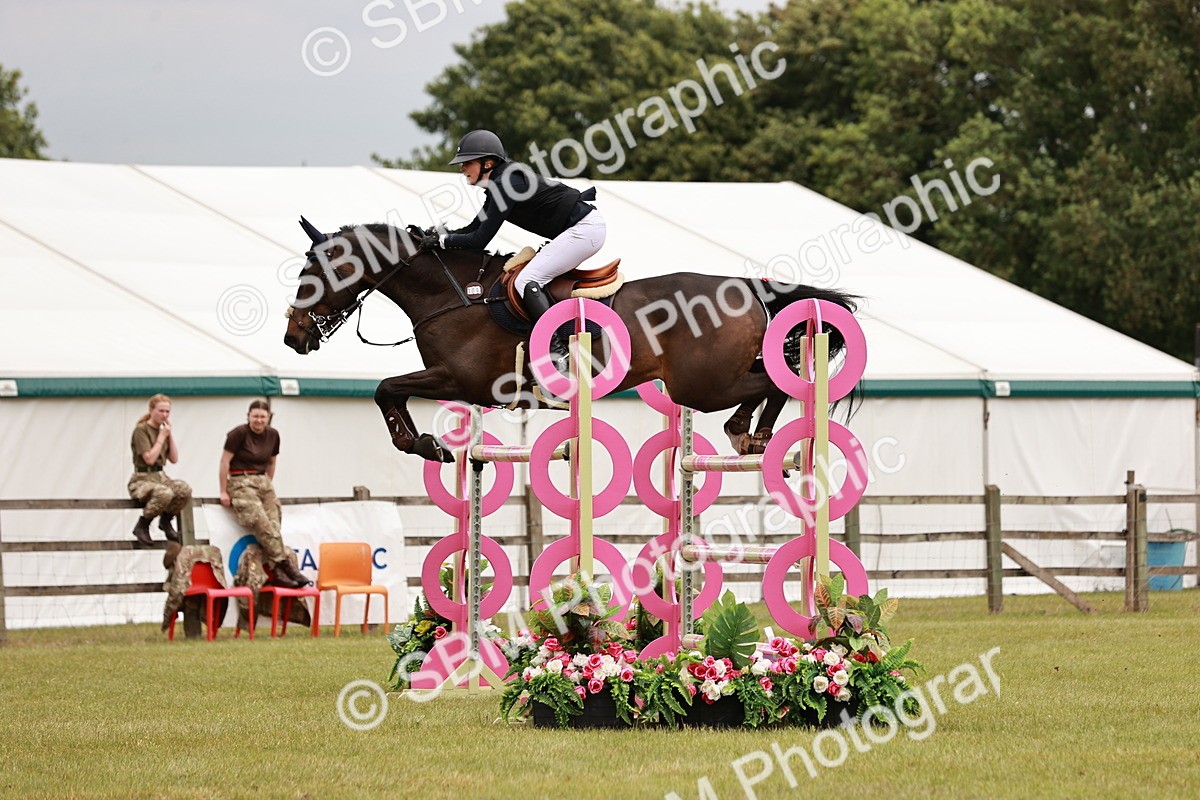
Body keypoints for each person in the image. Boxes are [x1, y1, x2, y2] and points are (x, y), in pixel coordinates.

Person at [417, 129, 606, 371]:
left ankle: (558, 352)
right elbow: (473, 228)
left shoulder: (506, 184)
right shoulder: (501, 182)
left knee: (526, 280)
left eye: (467, 163)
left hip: (584, 230)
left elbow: (479, 240)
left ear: (488, 163)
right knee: (525, 278)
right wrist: (440, 237)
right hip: (580, 229)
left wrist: (442, 243)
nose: (462, 169)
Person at [219, 400, 311, 588]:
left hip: (263, 481)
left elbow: (271, 462)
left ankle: (276, 571)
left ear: (268, 417)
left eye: (262, 416)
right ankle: (284, 564)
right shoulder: (238, 434)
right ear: (248, 416)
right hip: (240, 480)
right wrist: (223, 490)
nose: (259, 420)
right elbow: (224, 462)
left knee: (274, 522)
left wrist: (268, 482)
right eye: (255, 416)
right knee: (261, 522)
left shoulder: (273, 435)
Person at [127, 393, 192, 546]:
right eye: (160, 411)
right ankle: (143, 524)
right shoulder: (141, 430)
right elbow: (148, 458)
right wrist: (161, 437)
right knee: (164, 493)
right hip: (143, 477)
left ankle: (166, 520)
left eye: (167, 412)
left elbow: (174, 459)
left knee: (184, 489)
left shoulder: (164, 430)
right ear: (151, 410)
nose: (164, 415)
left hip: (160, 476)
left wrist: (169, 435)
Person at [161, 541, 229, 638]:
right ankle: (203, 634)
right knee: (192, 599)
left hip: (188, 588)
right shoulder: (213, 553)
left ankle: (193, 635)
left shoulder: (182, 560)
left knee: (188, 599)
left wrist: (166, 621)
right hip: (214, 587)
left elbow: (174, 595)